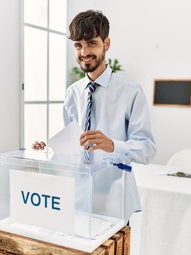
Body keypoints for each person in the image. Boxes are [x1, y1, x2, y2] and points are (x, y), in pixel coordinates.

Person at [32, 9, 156, 223]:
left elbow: (147, 149)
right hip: (77, 197)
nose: (84, 51)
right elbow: (72, 148)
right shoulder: (72, 93)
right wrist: (47, 151)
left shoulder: (131, 91)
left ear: (106, 44)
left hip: (115, 197)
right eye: (78, 45)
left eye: (91, 43)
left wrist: (112, 145)